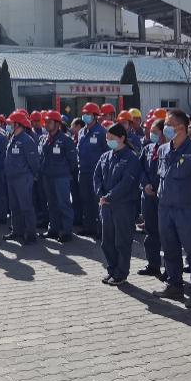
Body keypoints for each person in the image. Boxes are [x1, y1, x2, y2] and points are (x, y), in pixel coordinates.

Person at [152, 109, 191, 308]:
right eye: (165, 124)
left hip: (190, 210)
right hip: (165, 208)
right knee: (169, 249)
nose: (165, 127)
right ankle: (174, 285)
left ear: (182, 127)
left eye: (169, 124)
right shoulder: (163, 149)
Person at [93, 123, 143, 286]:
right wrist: (101, 194)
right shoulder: (105, 156)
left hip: (123, 205)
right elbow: (97, 177)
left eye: (111, 138)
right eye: (107, 138)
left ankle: (121, 273)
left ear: (122, 138)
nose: (108, 141)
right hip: (106, 205)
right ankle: (112, 269)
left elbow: (127, 182)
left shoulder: (131, 158)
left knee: (121, 241)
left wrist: (109, 196)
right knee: (107, 241)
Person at [39, 111, 78, 242]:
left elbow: (73, 161)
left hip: (61, 177)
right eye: (45, 122)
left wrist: (65, 172)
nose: (46, 124)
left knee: (64, 204)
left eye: (49, 122)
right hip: (48, 176)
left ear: (57, 124)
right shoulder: (45, 139)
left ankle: (67, 232)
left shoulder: (66, 140)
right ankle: (53, 230)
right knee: (51, 204)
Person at [3, 112, 41, 244]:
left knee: (26, 206)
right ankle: (17, 231)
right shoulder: (13, 138)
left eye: (10, 123)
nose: (8, 125)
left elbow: (34, 161)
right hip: (12, 178)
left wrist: (34, 175)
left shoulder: (27, 140)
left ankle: (30, 234)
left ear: (18, 124)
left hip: (23, 178)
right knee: (14, 207)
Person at [138, 117, 167, 279]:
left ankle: (169, 270)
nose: (151, 135)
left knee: (167, 234)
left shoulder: (169, 149)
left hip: (163, 197)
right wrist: (145, 184)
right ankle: (153, 265)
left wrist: (158, 188)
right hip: (148, 197)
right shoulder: (148, 149)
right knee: (151, 232)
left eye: (155, 132)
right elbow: (140, 168)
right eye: (151, 132)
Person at [77, 103, 108, 238]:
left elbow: (107, 153)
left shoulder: (102, 132)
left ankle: (100, 230)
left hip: (97, 173)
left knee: (97, 201)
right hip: (83, 171)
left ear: (95, 116)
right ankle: (88, 227)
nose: (85, 116)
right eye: (84, 114)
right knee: (85, 200)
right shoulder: (81, 132)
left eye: (88, 114)